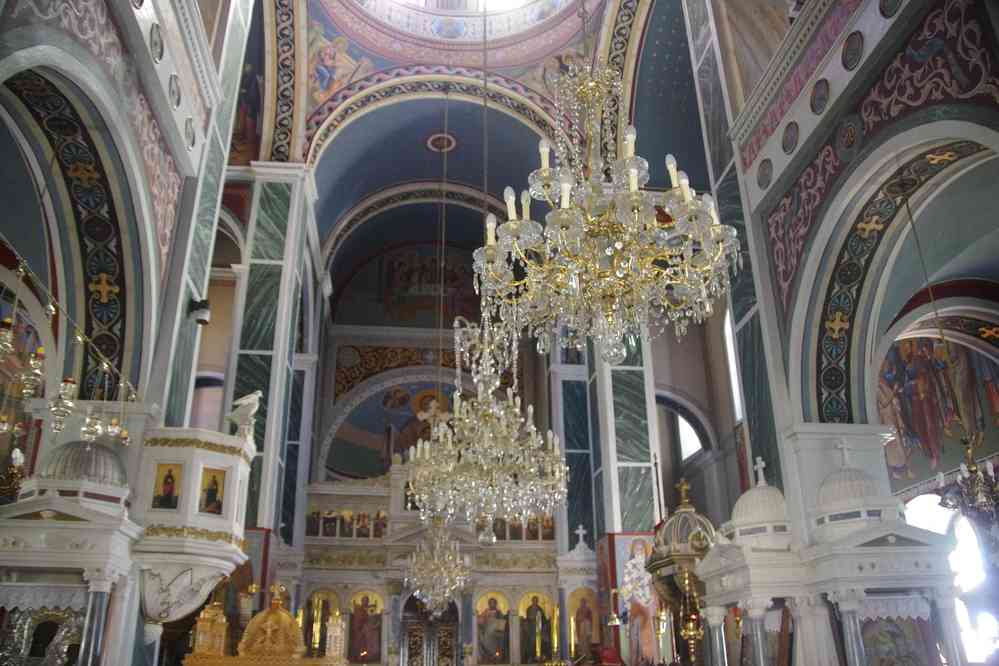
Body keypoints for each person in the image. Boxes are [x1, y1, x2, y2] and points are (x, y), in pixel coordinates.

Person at [620, 540, 658, 664]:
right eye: (636, 549)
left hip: (649, 605)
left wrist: (652, 597)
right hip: (636, 605)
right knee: (637, 636)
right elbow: (625, 590)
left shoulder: (650, 566)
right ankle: (638, 660)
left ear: (645, 550)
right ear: (632, 551)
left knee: (650, 635)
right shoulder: (629, 566)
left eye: (641, 549)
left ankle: (650, 660)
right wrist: (634, 591)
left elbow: (654, 585)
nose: (639, 551)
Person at [477, 597, 508, 663]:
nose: (492, 604)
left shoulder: (498, 612)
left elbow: (502, 622)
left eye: (493, 603)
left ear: (495, 604)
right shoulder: (486, 611)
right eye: (490, 603)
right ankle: (490, 656)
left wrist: (499, 630)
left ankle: (495, 656)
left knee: (496, 646)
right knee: (484, 640)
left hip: (495, 631)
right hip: (487, 630)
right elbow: (481, 620)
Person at [522, 596, 550, 662]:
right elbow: (528, 619)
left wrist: (544, 623)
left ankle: (543, 656)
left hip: (539, 628)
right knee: (531, 642)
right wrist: (531, 619)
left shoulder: (540, 609)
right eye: (534, 600)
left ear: (537, 601)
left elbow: (544, 619)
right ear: (532, 601)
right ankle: (531, 657)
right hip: (531, 628)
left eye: (536, 600)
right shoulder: (529, 609)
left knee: (544, 640)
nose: (535, 602)